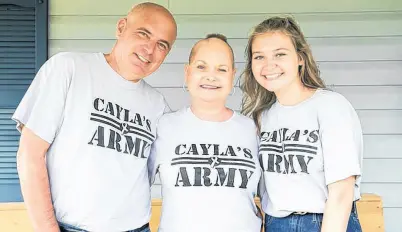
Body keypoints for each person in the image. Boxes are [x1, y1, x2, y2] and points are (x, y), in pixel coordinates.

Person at [12, 2, 177, 232]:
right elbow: (29, 156)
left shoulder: (158, 105)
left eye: (162, 45)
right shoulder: (68, 69)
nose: (150, 49)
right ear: (121, 28)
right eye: (143, 33)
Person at [241, 16, 363, 232]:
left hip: (324, 221)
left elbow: (342, 193)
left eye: (280, 54)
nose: (269, 65)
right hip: (276, 223)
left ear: (300, 58)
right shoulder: (262, 117)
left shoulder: (330, 106)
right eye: (259, 56)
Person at [148, 34, 262, 232]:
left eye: (222, 69)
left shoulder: (253, 130)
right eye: (201, 67)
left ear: (232, 75)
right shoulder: (163, 126)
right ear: (187, 72)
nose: (211, 76)